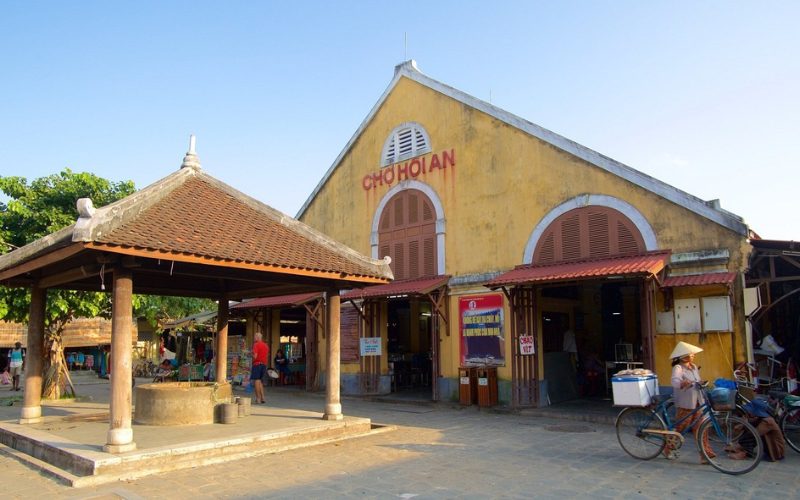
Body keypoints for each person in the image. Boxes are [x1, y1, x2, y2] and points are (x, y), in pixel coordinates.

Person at [667, 341, 715, 462]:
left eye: (693, 354)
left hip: (697, 401)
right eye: (690, 354)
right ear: (683, 356)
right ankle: (668, 448)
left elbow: (696, 381)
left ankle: (706, 454)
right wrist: (683, 383)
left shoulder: (693, 367)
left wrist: (701, 383)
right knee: (680, 429)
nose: (692, 355)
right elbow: (675, 382)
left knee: (701, 428)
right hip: (685, 403)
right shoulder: (678, 368)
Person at [251, 332, 269, 404]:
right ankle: (263, 398)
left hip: (257, 364)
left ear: (257, 337)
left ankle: (258, 398)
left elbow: (255, 356)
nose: (254, 338)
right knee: (260, 382)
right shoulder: (266, 345)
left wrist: (250, 353)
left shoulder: (256, 345)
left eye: (255, 337)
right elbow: (266, 356)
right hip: (264, 365)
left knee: (256, 381)